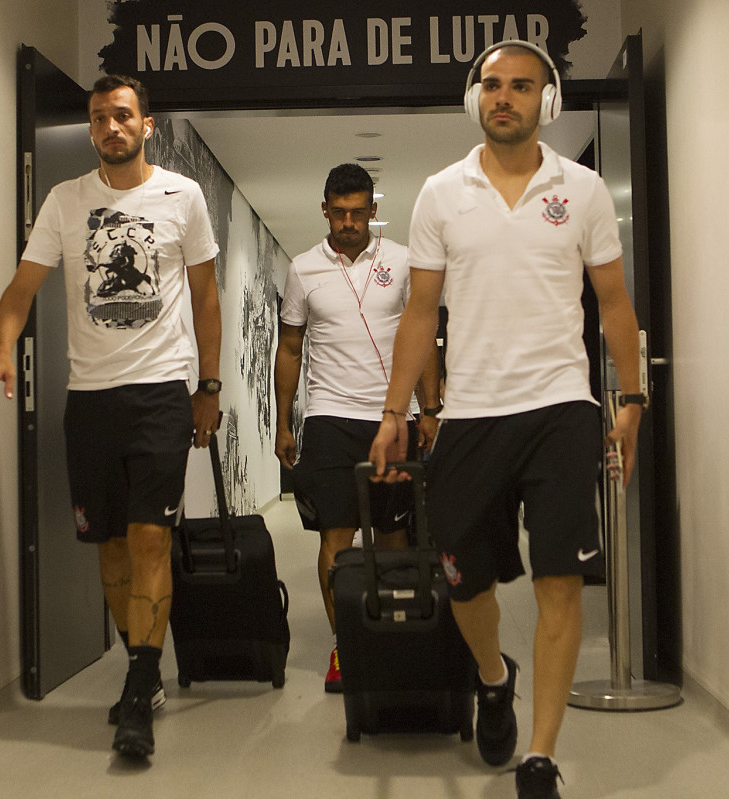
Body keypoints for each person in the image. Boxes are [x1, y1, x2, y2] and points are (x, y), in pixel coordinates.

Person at [369, 41, 644, 799]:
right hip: (472, 411)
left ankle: (540, 755)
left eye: (522, 86)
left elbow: (615, 304)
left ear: (546, 102)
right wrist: (397, 411)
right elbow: (421, 312)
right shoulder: (439, 193)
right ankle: (494, 676)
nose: (505, 97)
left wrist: (632, 396)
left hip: (562, 406)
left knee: (560, 579)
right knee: (465, 580)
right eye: (492, 85)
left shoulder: (582, 190)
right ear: (474, 99)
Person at [0, 74, 222, 760]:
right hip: (89, 400)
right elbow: (21, 290)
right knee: (110, 547)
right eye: (98, 118)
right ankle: (144, 672)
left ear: (147, 124)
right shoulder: (65, 200)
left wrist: (208, 384)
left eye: (122, 115)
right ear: (90, 130)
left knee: (148, 539)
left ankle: (139, 686)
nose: (110, 127)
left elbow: (205, 298)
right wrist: (2, 351)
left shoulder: (183, 196)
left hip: (159, 394)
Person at [274, 163, 439, 693]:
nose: (348, 222)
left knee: (393, 535)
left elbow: (423, 335)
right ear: (324, 209)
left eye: (358, 212)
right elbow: (291, 347)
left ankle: (389, 634)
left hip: (392, 421)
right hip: (328, 419)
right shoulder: (302, 270)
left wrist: (430, 408)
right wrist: (283, 421)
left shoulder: (404, 262)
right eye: (338, 212)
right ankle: (346, 646)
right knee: (335, 540)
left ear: (373, 209)